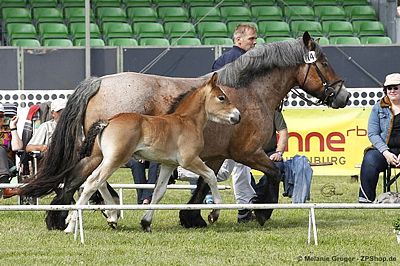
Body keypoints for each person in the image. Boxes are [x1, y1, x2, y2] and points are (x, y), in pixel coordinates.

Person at [210, 23, 288, 222]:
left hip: (224, 123)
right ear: (238, 40)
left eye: (255, 38)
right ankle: (243, 208)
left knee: (232, 168)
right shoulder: (245, 62)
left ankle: (241, 206)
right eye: (251, 39)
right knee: (235, 168)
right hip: (237, 125)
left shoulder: (221, 61)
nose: (255, 42)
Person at [359, 73, 400, 203]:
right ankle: (365, 200)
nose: (392, 91)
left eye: (395, 87)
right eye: (389, 88)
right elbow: (372, 133)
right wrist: (386, 152)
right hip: (384, 150)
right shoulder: (378, 107)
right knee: (370, 159)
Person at [0, 103, 23, 198]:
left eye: (0, 116)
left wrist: (13, 128)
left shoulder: (8, 126)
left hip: (6, 161)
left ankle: (5, 185)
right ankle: (5, 186)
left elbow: (17, 148)